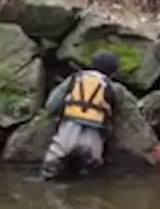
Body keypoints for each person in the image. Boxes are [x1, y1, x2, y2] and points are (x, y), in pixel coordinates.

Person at [40, 50, 119, 182]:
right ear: (112, 73)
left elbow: (51, 104)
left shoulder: (75, 78)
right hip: (95, 131)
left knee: (53, 163)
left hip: (69, 127)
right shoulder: (112, 86)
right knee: (90, 168)